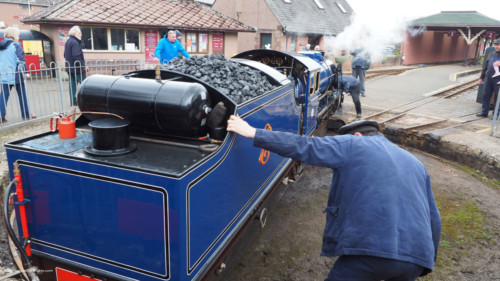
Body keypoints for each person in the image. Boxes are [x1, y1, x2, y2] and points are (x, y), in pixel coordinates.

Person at [226, 116, 442, 281]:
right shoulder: (415, 163)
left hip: (371, 251)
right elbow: (435, 219)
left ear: (355, 135)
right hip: (416, 258)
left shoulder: (353, 144)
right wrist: (425, 262)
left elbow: (306, 146)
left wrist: (254, 132)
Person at [0, 27, 35, 123]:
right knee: (22, 95)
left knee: (3, 96)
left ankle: (1, 116)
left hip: (4, 74)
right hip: (16, 74)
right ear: (15, 35)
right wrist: (26, 72)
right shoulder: (16, 45)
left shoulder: (1, 46)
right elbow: (21, 61)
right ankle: (26, 115)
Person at [64, 25, 89, 106]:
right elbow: (76, 56)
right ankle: (87, 100)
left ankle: (73, 101)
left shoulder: (68, 41)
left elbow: (65, 54)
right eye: (79, 33)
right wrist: (83, 66)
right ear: (74, 33)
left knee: (72, 85)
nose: (81, 34)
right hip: (77, 69)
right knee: (84, 84)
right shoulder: (75, 43)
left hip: (70, 68)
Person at [477, 38, 500, 118]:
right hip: (489, 78)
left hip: (498, 80)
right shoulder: (491, 54)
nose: (496, 47)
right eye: (496, 45)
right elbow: (486, 67)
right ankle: (484, 112)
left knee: (498, 96)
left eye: (498, 45)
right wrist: (481, 78)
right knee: (486, 95)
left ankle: (496, 114)